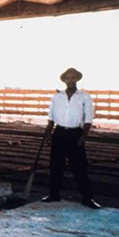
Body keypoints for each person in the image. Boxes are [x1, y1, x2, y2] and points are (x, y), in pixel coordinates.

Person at [42, 67, 100, 209]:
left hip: (75, 134)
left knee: (79, 167)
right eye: (67, 78)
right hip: (59, 133)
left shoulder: (84, 97)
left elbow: (88, 119)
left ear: (77, 79)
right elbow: (51, 117)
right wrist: (48, 134)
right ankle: (54, 194)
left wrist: (83, 137)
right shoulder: (57, 97)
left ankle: (88, 198)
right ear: (64, 80)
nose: (70, 80)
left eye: (73, 78)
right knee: (56, 166)